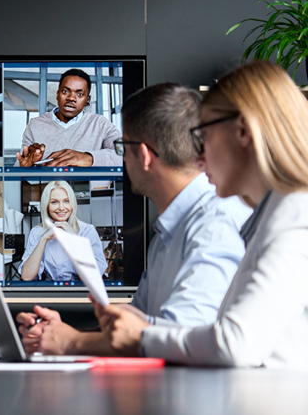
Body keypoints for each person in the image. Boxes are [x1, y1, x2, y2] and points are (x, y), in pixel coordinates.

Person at [100, 62, 308, 370]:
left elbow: (236, 344)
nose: (198, 156)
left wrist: (143, 335)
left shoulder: (295, 215)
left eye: (204, 135)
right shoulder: (272, 214)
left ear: (242, 131)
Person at [16, 83, 250, 356]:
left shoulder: (214, 225)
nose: (122, 158)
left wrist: (71, 342)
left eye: (122, 146)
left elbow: (184, 339)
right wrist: (57, 334)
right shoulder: (169, 231)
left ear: (145, 155)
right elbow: (139, 327)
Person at [16, 69, 121, 167]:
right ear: (57, 95)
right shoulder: (35, 125)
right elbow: (21, 164)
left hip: (85, 187)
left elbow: (125, 154)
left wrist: (89, 158)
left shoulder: (101, 124)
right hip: (47, 187)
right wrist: (26, 167)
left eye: (79, 94)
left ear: (87, 100)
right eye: (65, 91)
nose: (71, 98)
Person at [19, 180, 109, 281]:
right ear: (47, 206)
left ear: (72, 204)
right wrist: (44, 239)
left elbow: (93, 276)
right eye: (54, 202)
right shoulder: (37, 233)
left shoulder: (88, 231)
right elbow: (26, 276)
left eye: (66, 201)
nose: (61, 208)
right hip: (51, 290)